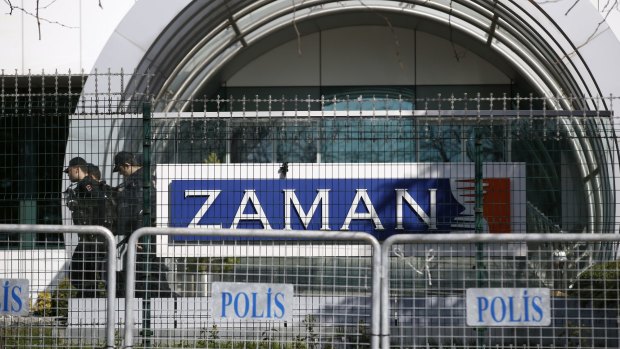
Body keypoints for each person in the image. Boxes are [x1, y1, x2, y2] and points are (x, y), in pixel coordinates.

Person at [113, 151, 174, 298]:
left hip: (145, 233)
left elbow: (142, 209)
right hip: (151, 231)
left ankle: (157, 302)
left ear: (127, 166)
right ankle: (166, 301)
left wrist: (138, 234)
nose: (121, 174)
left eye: (120, 169)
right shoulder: (148, 178)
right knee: (153, 268)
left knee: (142, 269)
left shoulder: (137, 181)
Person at [64, 157, 107, 297]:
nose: (68, 175)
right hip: (90, 237)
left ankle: (91, 297)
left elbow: (100, 201)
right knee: (85, 272)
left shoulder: (86, 184)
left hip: (92, 237)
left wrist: (97, 228)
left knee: (78, 271)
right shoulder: (82, 186)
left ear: (76, 169)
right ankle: (89, 299)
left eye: (69, 171)